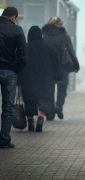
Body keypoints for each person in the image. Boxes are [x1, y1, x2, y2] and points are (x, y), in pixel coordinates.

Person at [17, 26, 63, 132]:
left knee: (29, 100)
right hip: (45, 80)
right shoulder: (49, 48)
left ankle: (30, 122)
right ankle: (41, 119)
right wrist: (58, 77)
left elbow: (19, 65)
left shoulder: (25, 48)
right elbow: (57, 65)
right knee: (43, 99)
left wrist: (19, 80)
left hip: (28, 80)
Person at [42, 17, 80, 120]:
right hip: (63, 66)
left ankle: (50, 113)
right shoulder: (64, 36)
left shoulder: (44, 35)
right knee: (62, 88)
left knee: (49, 90)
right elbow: (71, 51)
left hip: (48, 67)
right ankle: (59, 106)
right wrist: (76, 66)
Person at [0, 7, 26, 148]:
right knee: (8, 107)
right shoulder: (17, 30)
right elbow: (22, 55)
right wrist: (17, 70)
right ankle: (4, 140)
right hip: (9, 71)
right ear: (14, 17)